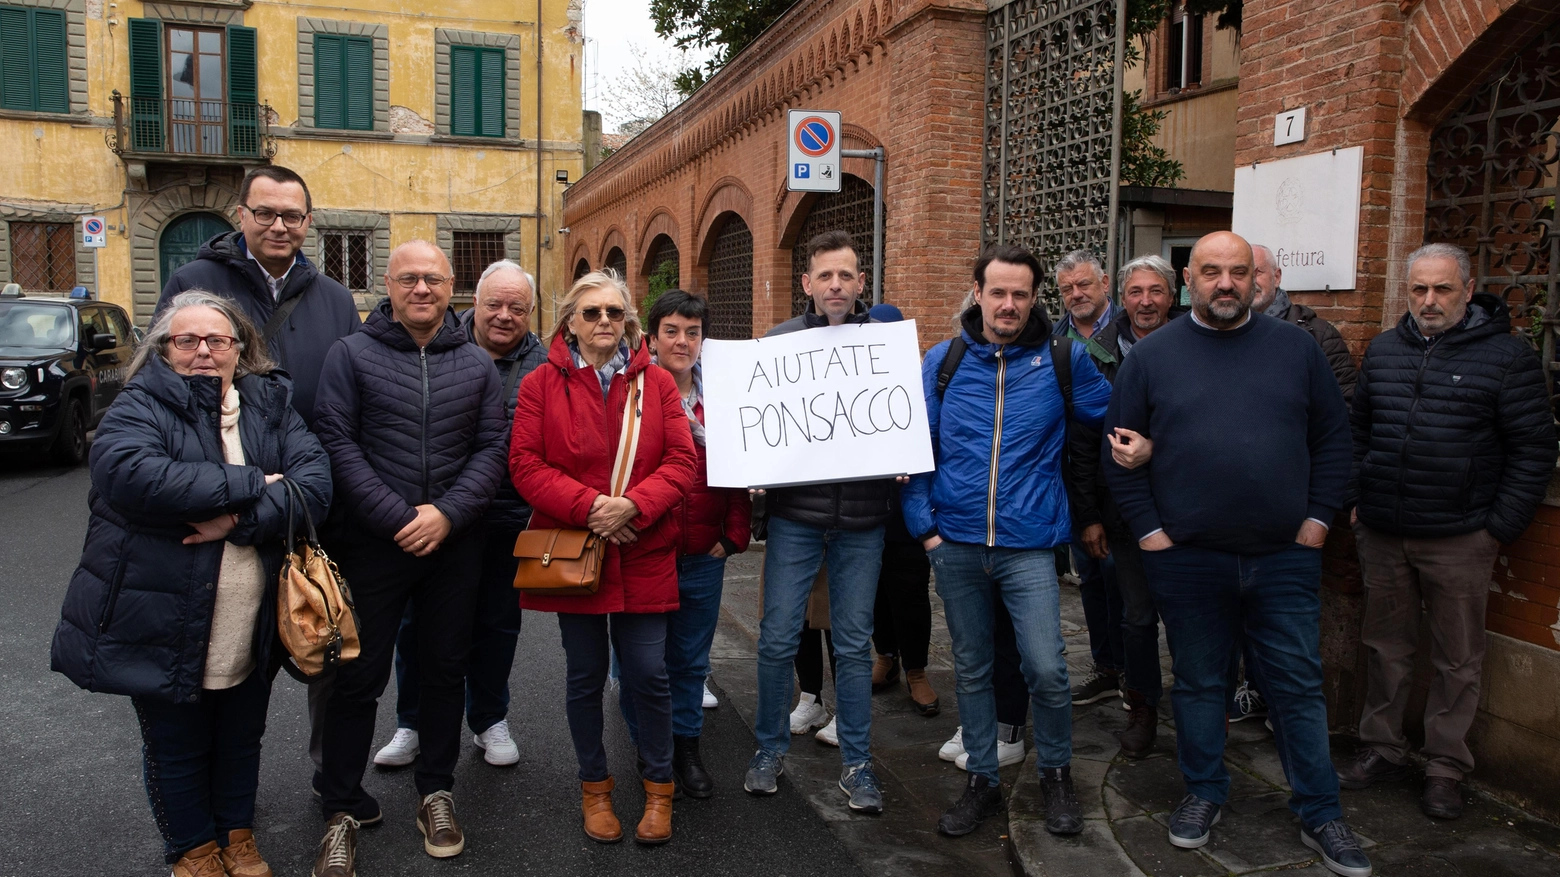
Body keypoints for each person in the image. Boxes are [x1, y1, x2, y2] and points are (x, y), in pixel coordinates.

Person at [1103, 231, 1371, 877]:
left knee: (1298, 686)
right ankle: (1202, 791)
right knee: (1198, 683)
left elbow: (1335, 441)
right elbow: (1120, 450)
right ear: (1189, 279)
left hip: (1284, 556)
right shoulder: (1152, 356)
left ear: (1258, 280)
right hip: (1189, 557)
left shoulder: (1296, 349)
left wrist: (1316, 524)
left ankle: (1320, 808)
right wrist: (1150, 535)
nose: (1226, 283)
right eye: (1212, 272)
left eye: (1239, 272)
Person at [51, 291, 331, 877]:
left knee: (240, 735)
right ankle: (193, 850)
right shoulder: (139, 404)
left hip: (251, 615)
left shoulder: (269, 401)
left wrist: (236, 517)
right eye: (187, 340)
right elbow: (133, 475)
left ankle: (237, 836)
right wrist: (256, 481)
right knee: (176, 743)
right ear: (165, 349)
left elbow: (314, 484)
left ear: (240, 348)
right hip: (160, 610)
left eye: (218, 340)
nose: (203, 351)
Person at [1337, 243, 1556, 820]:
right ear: (1406, 291)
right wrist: (1358, 498)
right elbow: (1358, 433)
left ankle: (1444, 767)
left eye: (1442, 289)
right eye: (1418, 289)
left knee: (1458, 659)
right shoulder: (1384, 351)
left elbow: (1533, 450)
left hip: (1461, 536)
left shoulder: (1508, 358)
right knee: (1385, 647)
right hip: (1383, 532)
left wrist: (1496, 529)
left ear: (1467, 288)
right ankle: (1382, 747)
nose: (1429, 301)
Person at [309, 241, 508, 875]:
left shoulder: (476, 364)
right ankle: (340, 806)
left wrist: (447, 514)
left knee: (445, 666)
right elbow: (336, 441)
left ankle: (436, 790)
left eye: (433, 279)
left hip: (454, 544)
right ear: (388, 287)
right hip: (374, 543)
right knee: (357, 675)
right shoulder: (351, 354)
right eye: (408, 279)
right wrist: (398, 518)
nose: (422, 288)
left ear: (453, 288)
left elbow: (492, 449)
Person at [903, 243, 1112, 838]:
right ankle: (983, 780)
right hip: (958, 546)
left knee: (1046, 668)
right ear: (977, 294)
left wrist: (1143, 441)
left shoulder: (1063, 358)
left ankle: (1056, 775)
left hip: (1027, 546)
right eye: (998, 292)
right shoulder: (944, 362)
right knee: (970, 668)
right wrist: (927, 530)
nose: (1009, 304)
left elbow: (1120, 414)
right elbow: (915, 449)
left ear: (1033, 298)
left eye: (1020, 293)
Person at [510, 271, 697, 845]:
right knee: (586, 676)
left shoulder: (658, 386)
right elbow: (525, 464)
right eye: (590, 313)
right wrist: (592, 507)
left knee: (648, 674)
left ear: (629, 322)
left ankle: (658, 788)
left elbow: (682, 462)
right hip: (578, 550)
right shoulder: (541, 384)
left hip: (642, 548)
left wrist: (633, 507)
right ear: (570, 321)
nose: (603, 323)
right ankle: (595, 786)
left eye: (614, 313)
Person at [743, 230, 901, 814]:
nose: (836, 285)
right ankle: (768, 750)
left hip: (864, 520)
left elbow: (902, 420)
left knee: (855, 645)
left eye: (847, 275)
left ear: (861, 283)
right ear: (807, 284)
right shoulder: (779, 344)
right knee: (778, 637)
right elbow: (758, 421)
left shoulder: (883, 345)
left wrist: (905, 457)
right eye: (825, 276)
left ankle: (858, 765)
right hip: (796, 517)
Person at [374, 260, 549, 771]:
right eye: (493, 304)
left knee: (497, 624)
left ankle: (489, 718)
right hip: (437, 518)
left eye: (516, 308)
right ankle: (411, 721)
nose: (503, 316)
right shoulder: (438, 350)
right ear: (473, 301)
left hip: (505, 519)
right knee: (417, 625)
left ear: (530, 312)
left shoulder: (545, 366)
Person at [612, 289, 751, 798]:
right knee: (641, 663)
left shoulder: (724, 396)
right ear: (652, 337)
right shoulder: (630, 395)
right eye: (671, 331)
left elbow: (740, 466)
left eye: (693, 332)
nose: (683, 341)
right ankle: (648, 748)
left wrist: (733, 535)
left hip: (702, 554)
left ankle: (686, 748)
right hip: (645, 551)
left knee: (690, 661)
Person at [1223, 244, 1362, 728]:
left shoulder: (1316, 336)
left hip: (1293, 506)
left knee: (1284, 621)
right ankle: (1251, 689)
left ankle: (1283, 702)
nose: (1245, 281)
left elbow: (1340, 415)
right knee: (1235, 614)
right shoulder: (1213, 333)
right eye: (1239, 272)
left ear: (1277, 275)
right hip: (1232, 510)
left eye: (1254, 271)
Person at [1067, 255, 1181, 759]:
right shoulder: (1095, 351)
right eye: (1137, 292)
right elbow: (1085, 442)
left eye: (1155, 291)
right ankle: (1143, 706)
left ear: (1171, 296)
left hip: (1186, 508)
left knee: (1191, 615)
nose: (1146, 301)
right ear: (1124, 296)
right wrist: (1089, 514)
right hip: (1123, 513)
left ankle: (1203, 706)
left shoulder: (1193, 346)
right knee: (1135, 617)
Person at [157, 165, 361, 426]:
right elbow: (158, 376)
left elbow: (357, 385)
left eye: (291, 216)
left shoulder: (337, 299)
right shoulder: (192, 284)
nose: (278, 227)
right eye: (264, 213)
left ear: (307, 221)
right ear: (242, 216)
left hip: (314, 458)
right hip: (222, 459)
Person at [1051, 250, 1124, 707]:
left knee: (1126, 582)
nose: (1076, 295)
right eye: (1066, 289)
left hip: (1121, 477)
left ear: (1105, 283)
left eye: (1084, 285)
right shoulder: (1054, 337)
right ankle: (1107, 668)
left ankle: (1139, 678)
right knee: (1093, 579)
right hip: (1075, 478)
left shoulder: (1130, 332)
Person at [866, 302, 940, 717]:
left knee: (910, 591)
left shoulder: (923, 380)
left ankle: (917, 670)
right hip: (866, 507)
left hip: (909, 506)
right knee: (874, 589)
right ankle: (886, 657)